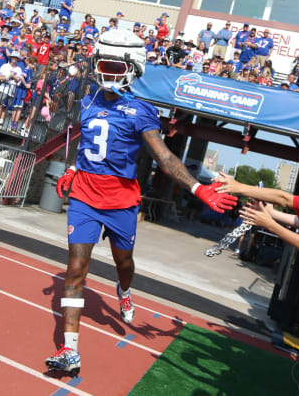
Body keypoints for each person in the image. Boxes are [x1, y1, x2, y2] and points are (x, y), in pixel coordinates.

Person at [44, 29, 237, 375]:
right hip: (86, 195)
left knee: (125, 264)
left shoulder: (141, 110)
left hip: (121, 200)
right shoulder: (88, 101)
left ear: (133, 68)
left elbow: (164, 158)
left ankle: (124, 289)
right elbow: (90, 143)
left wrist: (197, 188)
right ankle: (69, 350)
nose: (108, 74)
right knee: (75, 268)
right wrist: (74, 168)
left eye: (116, 68)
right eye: (104, 65)